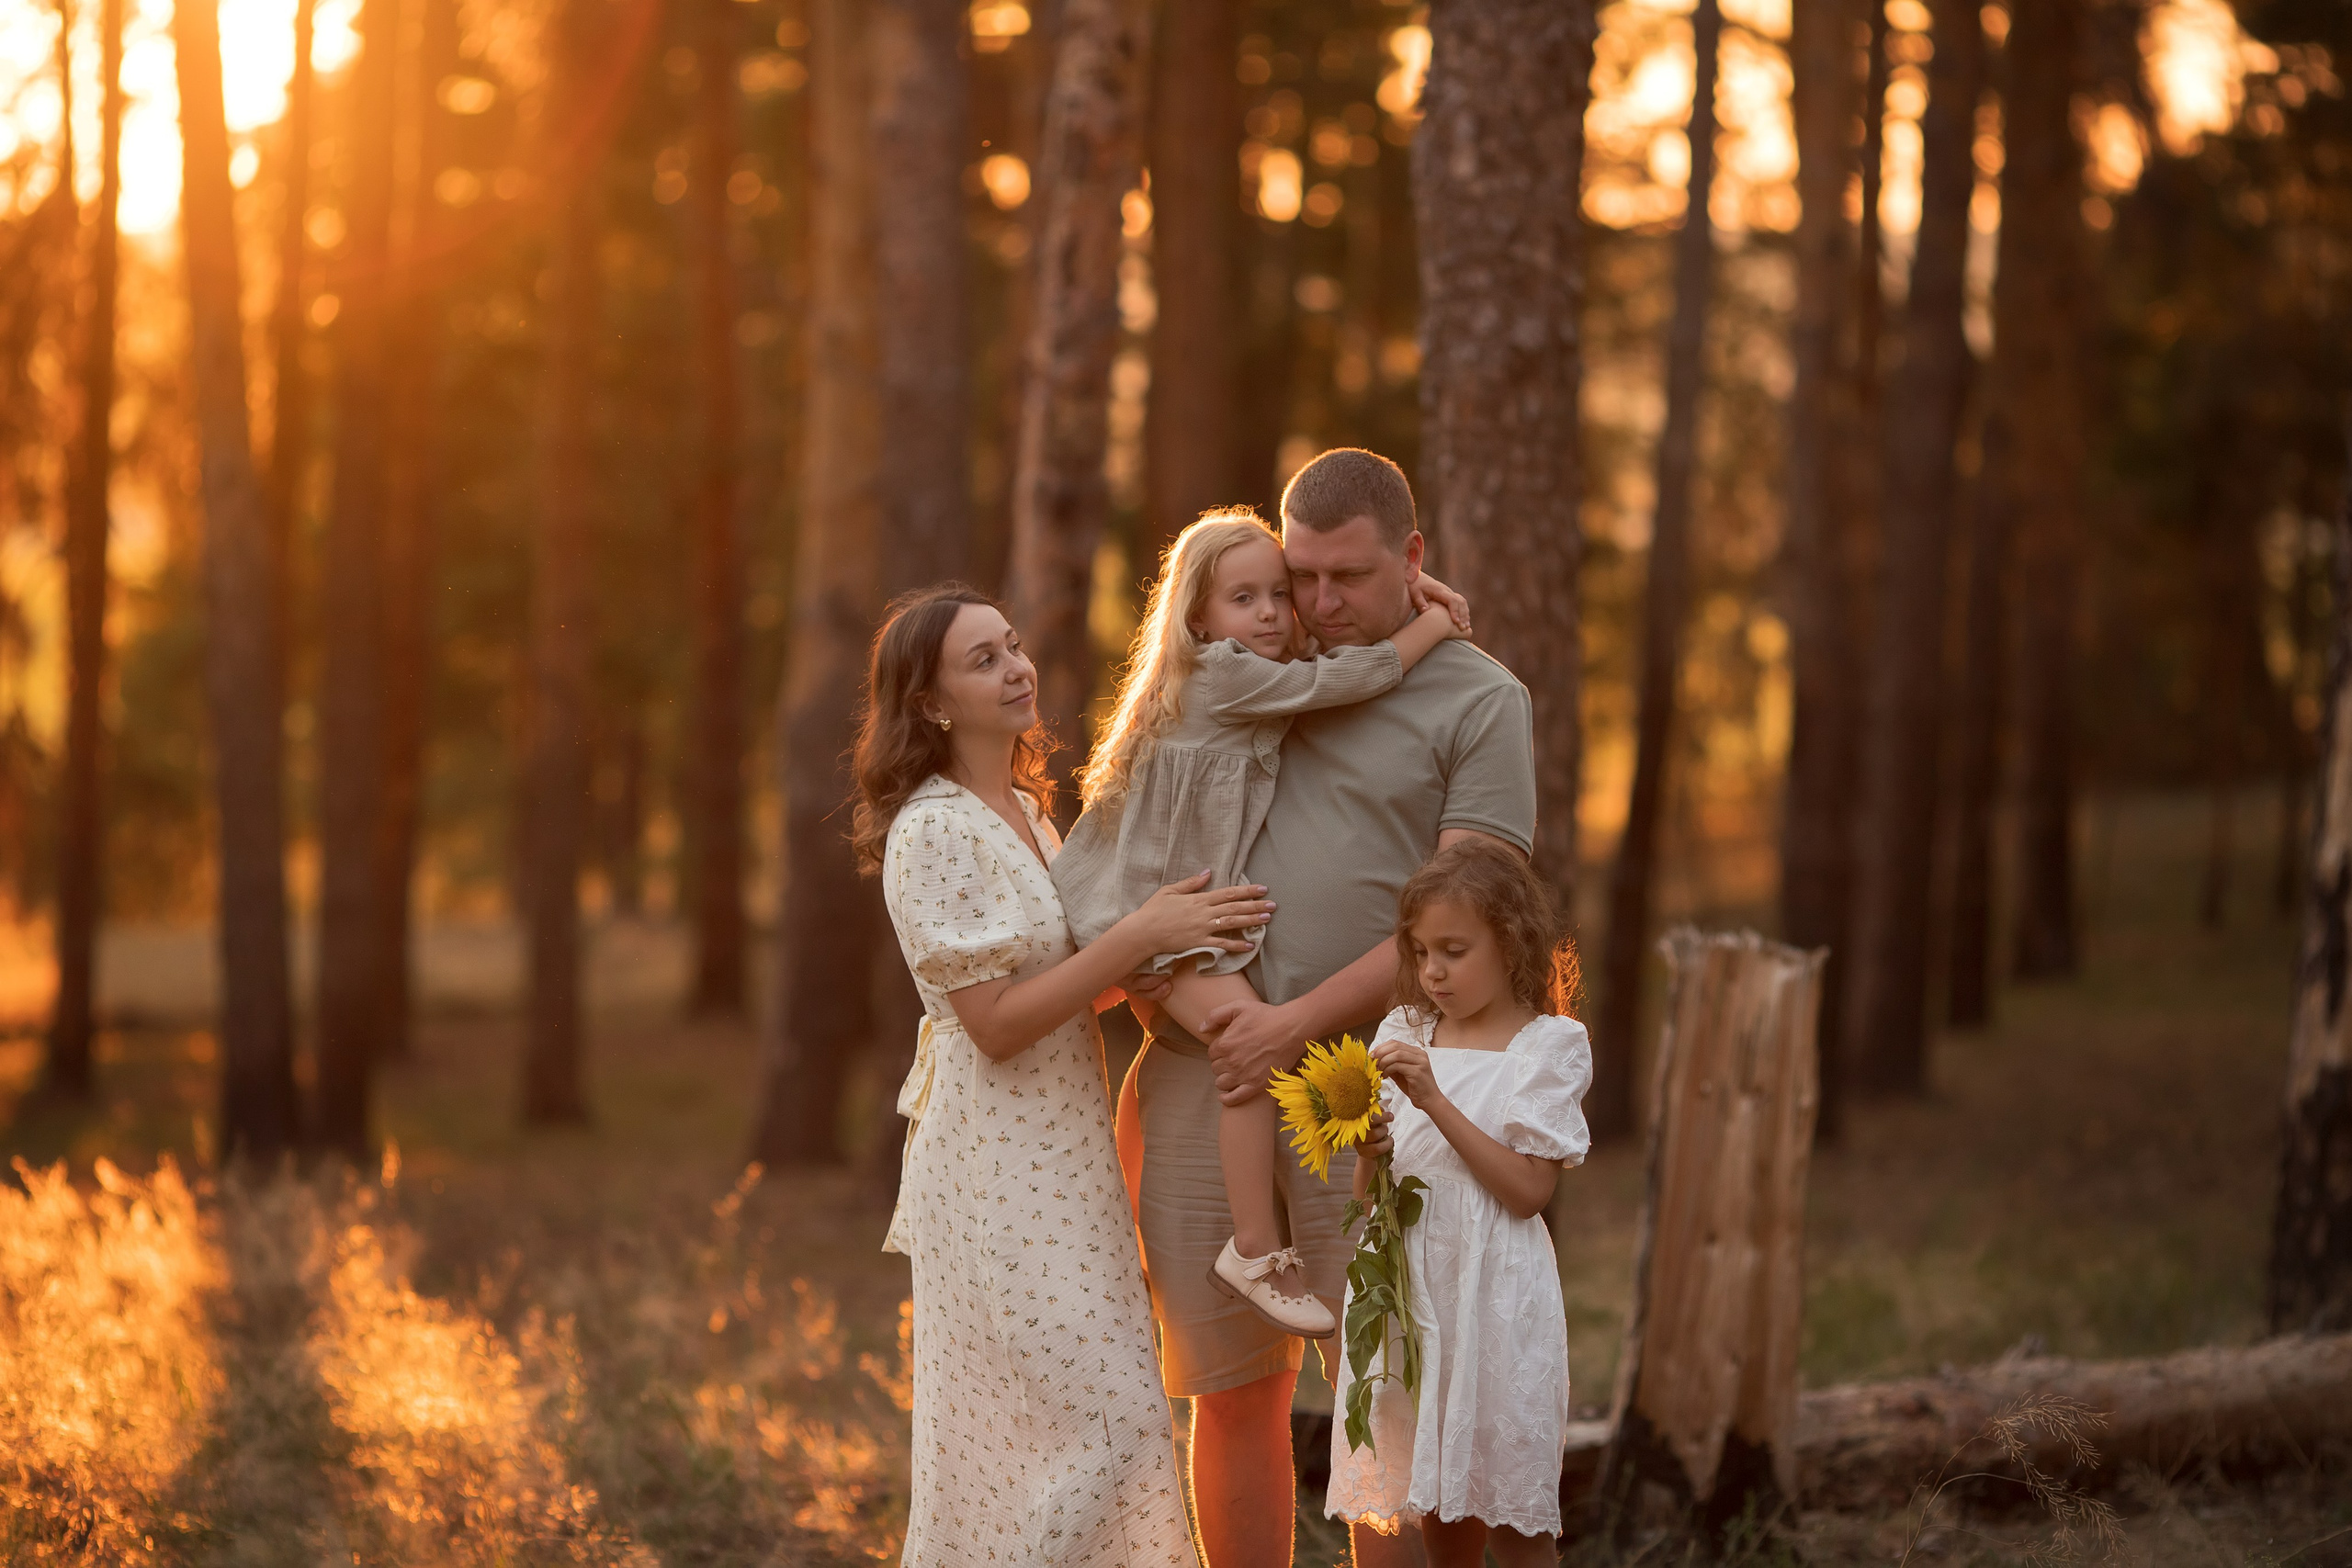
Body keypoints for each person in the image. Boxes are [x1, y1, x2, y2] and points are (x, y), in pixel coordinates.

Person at [1116, 448, 1538, 1568]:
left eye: (1347, 576)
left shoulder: (1480, 698)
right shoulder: (1250, 665)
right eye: (1300, 576)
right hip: (1205, 1075)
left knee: (1386, 1396)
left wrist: (1288, 1025)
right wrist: (1197, 1003)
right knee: (1227, 1389)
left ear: (1411, 556)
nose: (1317, 603)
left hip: (1378, 1087)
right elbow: (1138, 843)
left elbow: (1473, 921)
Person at [859, 583, 1272, 1566]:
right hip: (997, 1166)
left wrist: (1155, 960)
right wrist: (1136, 933)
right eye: (984, 660)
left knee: (1071, 1431)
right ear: (930, 703)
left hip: (1068, 1158)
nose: (1017, 668)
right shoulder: (933, 830)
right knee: (1107, 1426)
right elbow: (996, 1024)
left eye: (1013, 646)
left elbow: (1055, 988)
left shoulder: (1027, 813)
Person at [1055, 510, 1469, 1338]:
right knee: (1249, 1041)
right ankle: (1253, 1248)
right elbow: (1348, 679)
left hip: (1176, 913)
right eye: (1245, 599)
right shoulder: (1222, 674)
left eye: (1280, 593)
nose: (1275, 612)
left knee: (1245, 1047)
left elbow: (1326, 643)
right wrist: (1434, 621)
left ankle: (1255, 1245)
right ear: (1199, 617)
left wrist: (1416, 585)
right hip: (1155, 913)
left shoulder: (1247, 665)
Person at [1325, 840, 1590, 1567]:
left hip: (1492, 1295)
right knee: (1423, 1504)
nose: (1433, 971)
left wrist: (1435, 1100)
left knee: (1511, 1519)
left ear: (1510, 942)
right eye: (1420, 952)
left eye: (1453, 950)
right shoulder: (1403, 1032)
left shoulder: (1548, 1046)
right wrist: (1371, 1146)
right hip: (1408, 1289)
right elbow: (1367, 1195)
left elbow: (1528, 1191)